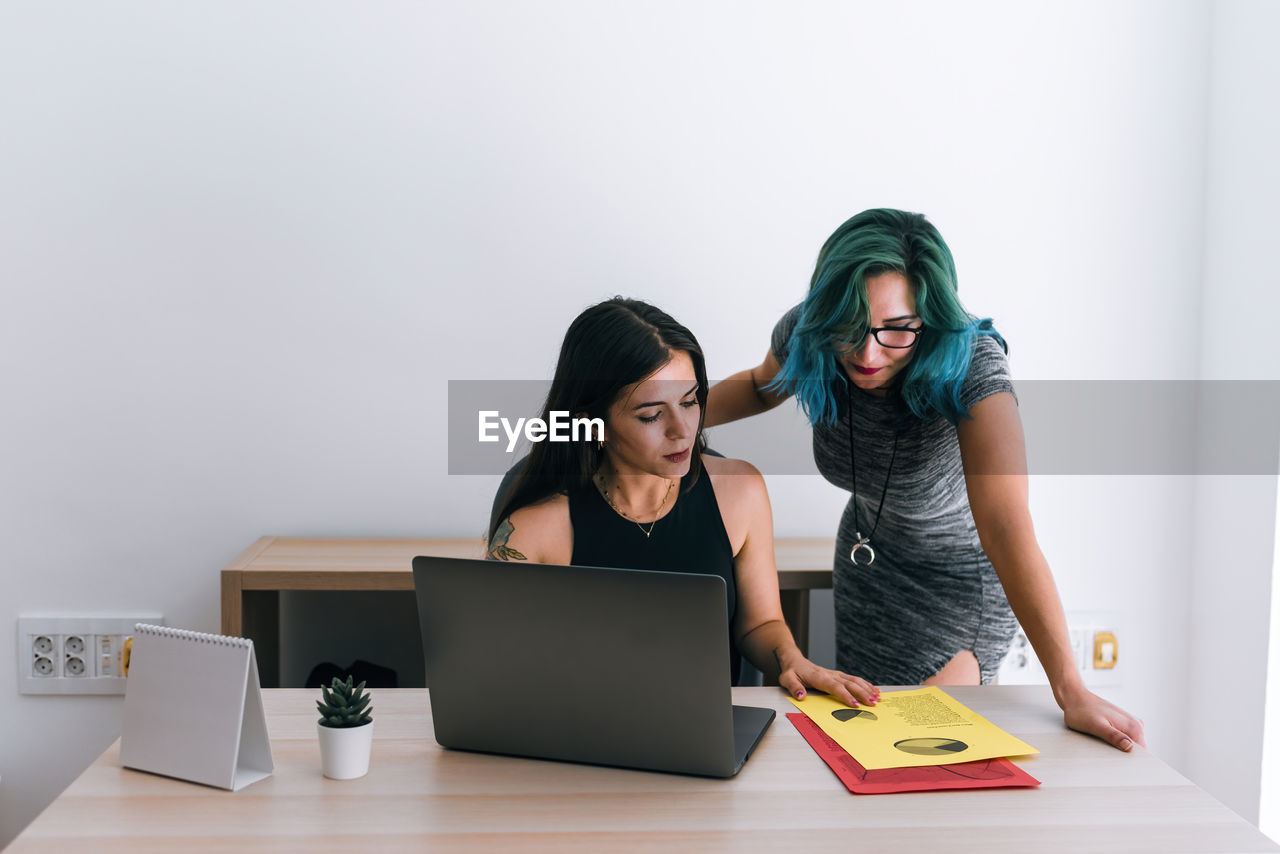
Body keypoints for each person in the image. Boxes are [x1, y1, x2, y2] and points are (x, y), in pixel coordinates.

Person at [705, 209, 1146, 752]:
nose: (866, 354)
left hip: (960, 586)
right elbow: (757, 385)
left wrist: (1071, 689)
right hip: (869, 566)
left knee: (919, 749)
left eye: (896, 330)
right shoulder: (811, 332)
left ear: (929, 318)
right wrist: (665, 417)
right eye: (849, 328)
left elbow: (1006, 527)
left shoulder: (972, 368)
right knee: (857, 744)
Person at [487, 297, 877, 707]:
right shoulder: (536, 526)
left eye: (690, 402)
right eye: (651, 415)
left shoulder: (740, 492)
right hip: (580, 728)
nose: (682, 430)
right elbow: (498, 664)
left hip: (706, 730)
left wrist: (791, 658)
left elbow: (759, 622)